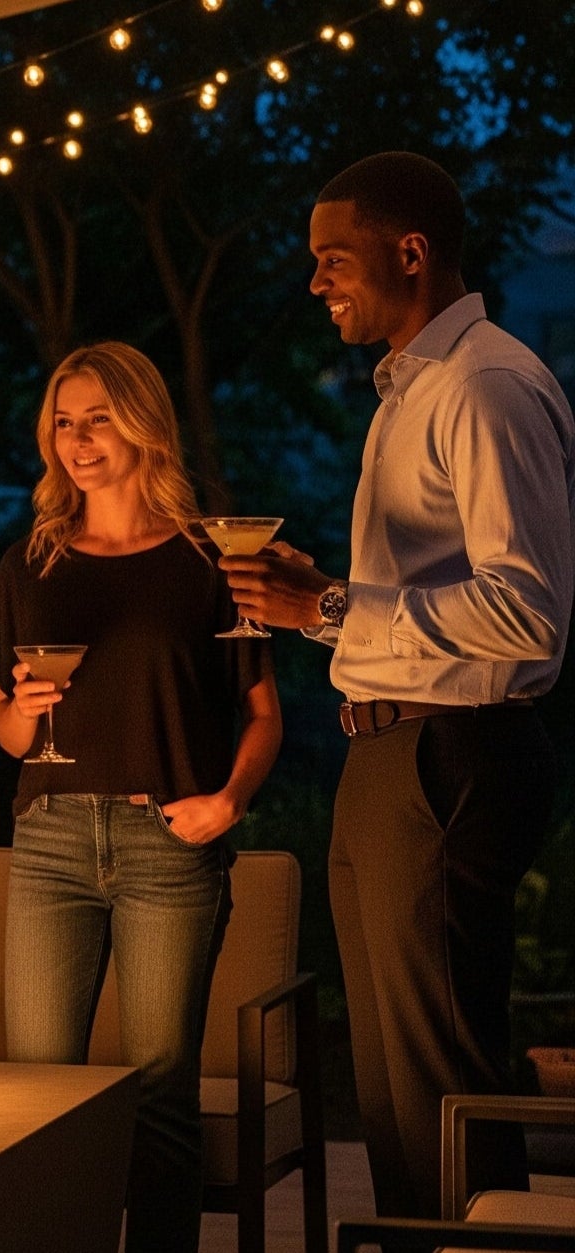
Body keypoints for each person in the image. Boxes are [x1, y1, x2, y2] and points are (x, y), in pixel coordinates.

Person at [222, 151, 575, 1218]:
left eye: (333, 259)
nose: (316, 281)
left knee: (436, 1074)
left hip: (446, 753)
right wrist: (312, 599)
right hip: (391, 750)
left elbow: (526, 613)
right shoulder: (407, 392)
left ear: (408, 252)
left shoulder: (483, 384)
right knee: (389, 1077)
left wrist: (326, 607)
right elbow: (411, 595)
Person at [0, 341, 282, 1253]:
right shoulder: (28, 560)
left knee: (159, 1098)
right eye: (63, 422)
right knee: (38, 1098)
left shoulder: (209, 561)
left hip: (166, 847)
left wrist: (227, 803)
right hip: (51, 843)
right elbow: (5, 729)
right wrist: (24, 708)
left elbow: (264, 716)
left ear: (143, 421)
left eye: (98, 417)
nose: (77, 439)